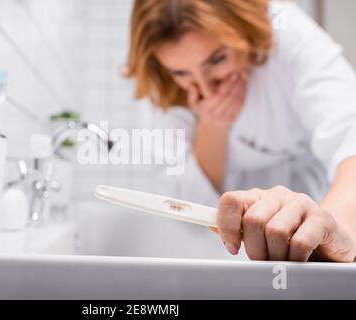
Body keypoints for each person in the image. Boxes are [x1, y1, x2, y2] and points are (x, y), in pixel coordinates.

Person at [125, 0, 356, 262]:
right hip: (226, 248)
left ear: (245, 30)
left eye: (217, 59)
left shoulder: (286, 33)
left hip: (326, 206)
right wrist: (213, 126)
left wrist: (332, 235)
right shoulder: (164, 85)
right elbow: (188, 209)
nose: (205, 88)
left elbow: (350, 137)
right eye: (180, 72)